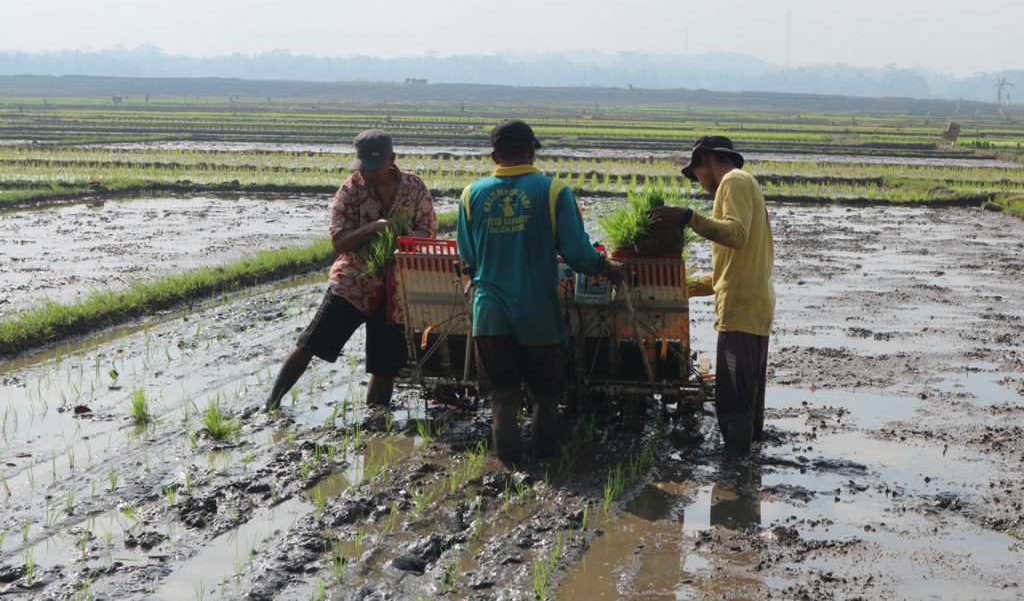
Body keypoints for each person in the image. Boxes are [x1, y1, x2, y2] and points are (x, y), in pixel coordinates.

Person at [456, 119, 622, 465]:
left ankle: (510, 473)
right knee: (546, 397)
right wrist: (605, 267)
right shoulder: (553, 191)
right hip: (538, 312)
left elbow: (469, 258)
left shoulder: (471, 194)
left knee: (503, 398)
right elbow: (577, 253)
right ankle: (546, 466)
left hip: (489, 312)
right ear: (532, 151)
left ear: (493, 155)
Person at [265, 129, 437, 412]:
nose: (367, 173)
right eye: (363, 167)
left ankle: (375, 420)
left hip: (397, 287)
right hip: (354, 282)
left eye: (374, 167)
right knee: (311, 342)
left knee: (384, 365)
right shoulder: (351, 189)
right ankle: (271, 405)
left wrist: (404, 237)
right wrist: (374, 228)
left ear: (392, 159)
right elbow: (339, 241)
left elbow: (428, 228)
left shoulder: (414, 186)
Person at [653, 135, 775, 456]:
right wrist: (684, 287)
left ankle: (733, 488)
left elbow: (735, 234)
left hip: (740, 312)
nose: (700, 184)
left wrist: (687, 217)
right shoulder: (749, 187)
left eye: (697, 174)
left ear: (706, 159)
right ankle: (749, 478)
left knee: (732, 404)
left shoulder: (732, 182)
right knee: (747, 404)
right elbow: (728, 270)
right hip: (754, 307)